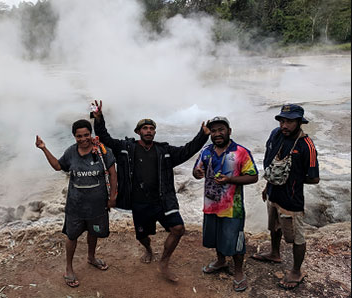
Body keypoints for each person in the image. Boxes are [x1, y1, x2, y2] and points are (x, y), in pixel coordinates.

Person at [91, 100, 210, 282]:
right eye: (144, 128)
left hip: (163, 200)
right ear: (138, 132)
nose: (148, 131)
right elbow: (105, 139)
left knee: (178, 229)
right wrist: (99, 118)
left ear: (154, 132)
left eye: (151, 128)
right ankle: (148, 249)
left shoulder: (165, 151)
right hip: (139, 202)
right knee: (143, 235)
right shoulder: (126, 148)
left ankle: (164, 262)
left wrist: (202, 135)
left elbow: (188, 150)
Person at [35, 119, 118, 288]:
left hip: (97, 205)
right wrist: (44, 148)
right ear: (74, 137)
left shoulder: (103, 151)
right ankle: (69, 268)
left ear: (90, 134)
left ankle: (91, 257)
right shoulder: (71, 152)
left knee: (93, 232)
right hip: (75, 206)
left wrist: (113, 197)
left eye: (86, 135)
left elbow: (112, 174)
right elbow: (58, 166)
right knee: (72, 236)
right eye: (79, 136)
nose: (83, 139)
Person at [252, 104, 319, 290]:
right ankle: (275, 253)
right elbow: (272, 164)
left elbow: (314, 178)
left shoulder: (307, 146)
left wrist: (293, 180)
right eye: (282, 120)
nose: (284, 125)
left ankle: (297, 271)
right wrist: (268, 185)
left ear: (299, 122)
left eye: (289, 121)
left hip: (292, 199)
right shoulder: (275, 135)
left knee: (296, 237)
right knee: (274, 225)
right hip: (274, 193)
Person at [193, 116, 258, 292]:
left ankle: (238, 272)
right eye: (213, 131)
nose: (217, 134)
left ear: (229, 131)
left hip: (232, 208)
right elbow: (196, 170)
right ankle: (221, 261)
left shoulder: (240, 152)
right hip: (211, 205)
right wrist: (197, 172)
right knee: (215, 236)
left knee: (236, 239)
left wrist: (230, 179)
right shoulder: (206, 151)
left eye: (221, 129)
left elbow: (253, 176)